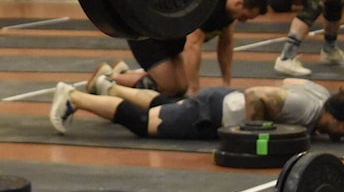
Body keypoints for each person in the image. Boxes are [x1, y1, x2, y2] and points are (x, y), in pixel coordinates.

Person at [50, 74, 344, 141]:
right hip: (211, 114)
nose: (341, 134)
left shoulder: (318, 96)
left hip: (220, 100)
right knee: (145, 123)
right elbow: (256, 94)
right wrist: (254, 136)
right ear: (333, 115)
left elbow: (289, 79)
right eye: (342, 128)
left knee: (165, 107)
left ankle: (110, 87)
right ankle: (74, 98)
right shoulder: (305, 108)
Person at [94, 0, 268, 98]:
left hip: (170, 41)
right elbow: (192, 46)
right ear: (239, 2)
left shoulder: (230, 15)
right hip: (150, 36)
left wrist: (227, 84)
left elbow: (226, 47)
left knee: (179, 87)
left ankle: (122, 73)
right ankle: (108, 79)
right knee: (169, 88)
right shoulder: (210, 5)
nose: (243, 20)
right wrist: (195, 90)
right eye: (244, 17)